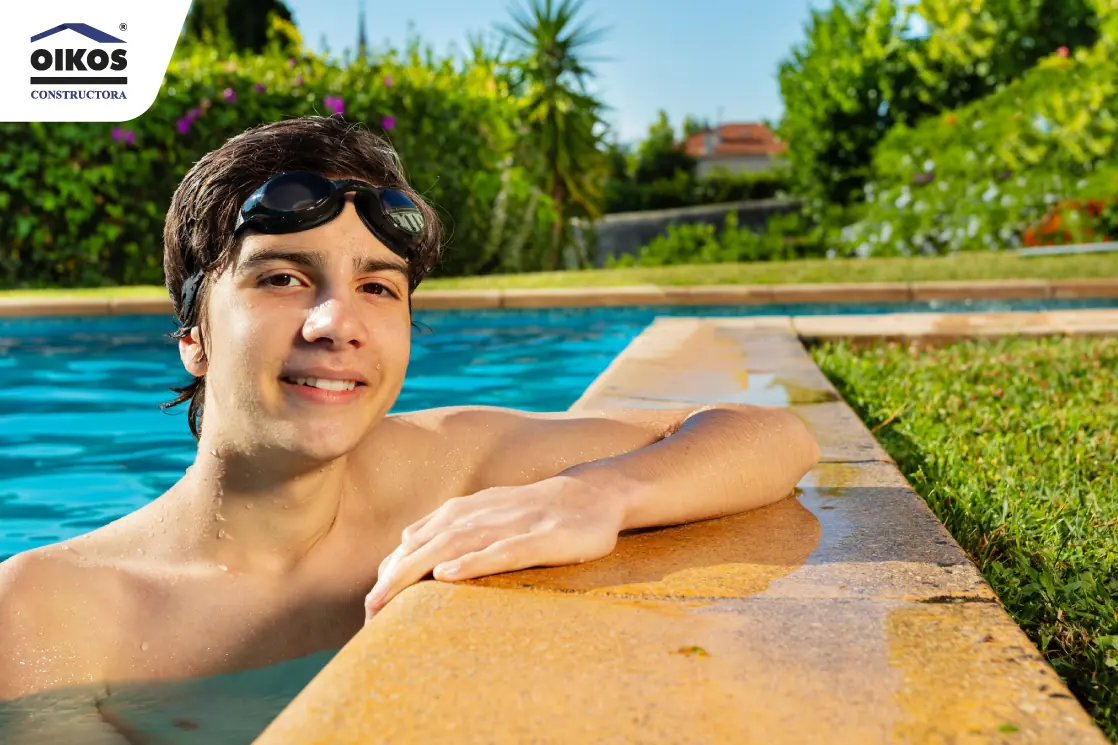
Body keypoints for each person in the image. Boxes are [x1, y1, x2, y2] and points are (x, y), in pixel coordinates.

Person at [0, 116, 820, 704]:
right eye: (282, 277)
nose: (338, 324)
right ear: (193, 335)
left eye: (377, 287)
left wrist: (597, 494)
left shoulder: (448, 466)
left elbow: (769, 433)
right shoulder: (51, 609)